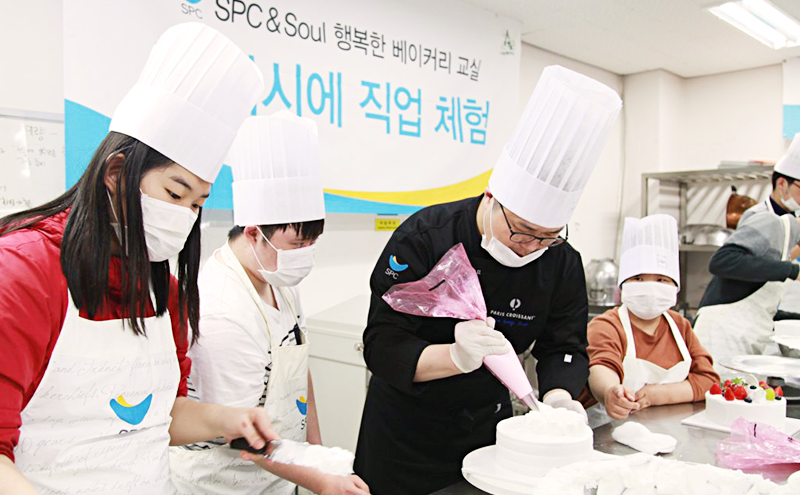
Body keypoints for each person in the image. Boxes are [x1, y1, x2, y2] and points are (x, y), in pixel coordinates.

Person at [0, 23, 275, 495]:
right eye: (175, 193)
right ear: (116, 173)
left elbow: (155, 415)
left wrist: (226, 419)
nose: (184, 216)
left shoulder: (163, 289)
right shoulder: (25, 272)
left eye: (197, 203)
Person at [353, 65, 622, 495]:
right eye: (521, 231)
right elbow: (382, 346)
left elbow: (563, 346)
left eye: (547, 237)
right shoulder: (425, 238)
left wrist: (558, 397)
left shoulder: (561, 262)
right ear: (492, 198)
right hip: (406, 437)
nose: (530, 247)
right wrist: (454, 357)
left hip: (489, 433)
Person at [169, 113, 370, 495]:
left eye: (312, 243)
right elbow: (243, 437)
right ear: (254, 233)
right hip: (223, 485)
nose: (305, 255)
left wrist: (317, 454)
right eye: (298, 243)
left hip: (281, 476)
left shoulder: (278, 276)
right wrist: (323, 481)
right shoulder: (222, 312)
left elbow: (300, 373)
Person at [586, 215, 718, 421]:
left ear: (674, 286)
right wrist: (611, 392)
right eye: (638, 278)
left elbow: (709, 381)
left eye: (661, 280)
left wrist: (655, 395)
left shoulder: (680, 326)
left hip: (665, 427)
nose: (649, 287)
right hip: (609, 428)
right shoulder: (607, 325)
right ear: (623, 284)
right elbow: (601, 366)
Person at [693, 210, 800, 372]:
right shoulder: (770, 223)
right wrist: (792, 271)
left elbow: (758, 308)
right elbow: (722, 261)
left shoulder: (785, 249)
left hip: (743, 342)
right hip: (721, 338)